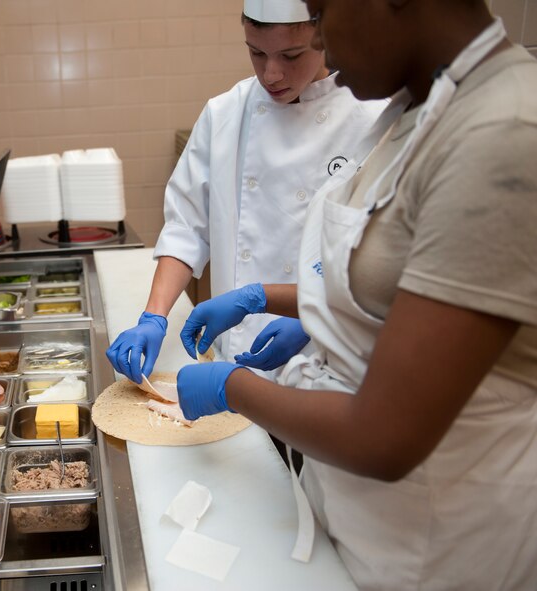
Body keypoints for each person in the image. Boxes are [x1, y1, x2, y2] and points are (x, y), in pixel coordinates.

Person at [177, 0, 537, 588]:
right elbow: (395, 291)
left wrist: (232, 387)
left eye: (320, 13)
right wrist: (263, 297)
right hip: (365, 523)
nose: (319, 39)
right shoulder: (420, 111)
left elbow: (384, 438)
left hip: (437, 542)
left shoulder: (502, 134)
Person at [106, 0, 387, 384]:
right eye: (256, 53)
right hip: (231, 357)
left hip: (329, 359)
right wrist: (154, 316)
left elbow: (379, 263)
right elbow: (187, 226)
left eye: (290, 55)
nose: (271, 74)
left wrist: (311, 320)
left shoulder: (374, 119)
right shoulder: (225, 113)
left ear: (326, 37)